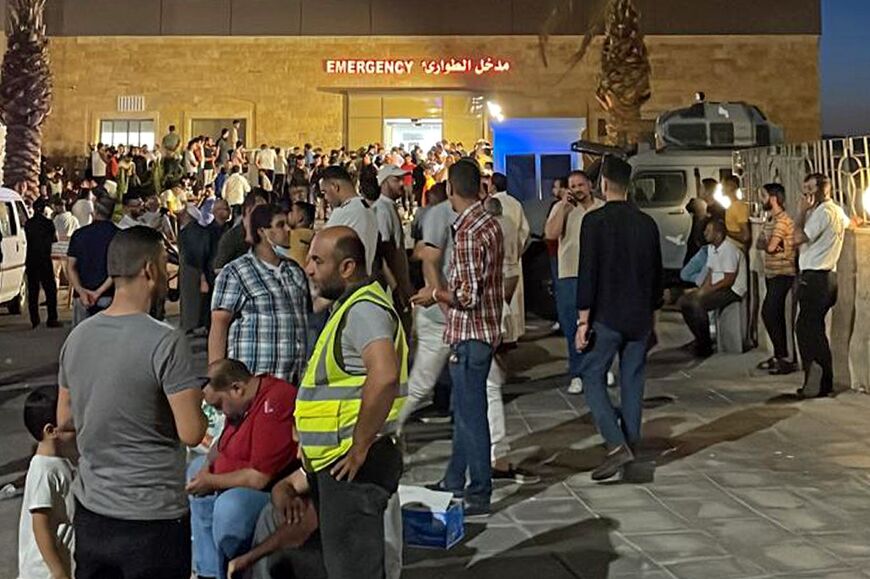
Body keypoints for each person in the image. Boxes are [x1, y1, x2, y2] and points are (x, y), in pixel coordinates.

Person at [56, 226, 208, 579]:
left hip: (93, 510)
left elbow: (65, 417)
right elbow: (191, 431)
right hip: (152, 518)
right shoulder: (166, 343)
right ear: (149, 270)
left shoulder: (78, 337)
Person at [288, 226, 405, 579]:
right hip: (339, 463)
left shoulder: (363, 310)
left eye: (318, 261)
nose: (308, 268)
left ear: (348, 268)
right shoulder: (350, 307)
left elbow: (384, 376)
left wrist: (359, 445)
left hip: (352, 466)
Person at [412, 159, 504, 515]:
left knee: (470, 415)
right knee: (465, 410)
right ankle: (455, 477)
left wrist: (433, 294)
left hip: (471, 332)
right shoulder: (490, 222)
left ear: (450, 189)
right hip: (486, 328)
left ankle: (479, 489)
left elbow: (466, 295)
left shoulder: (466, 231)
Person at [576, 156, 663, 481]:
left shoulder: (594, 222)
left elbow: (588, 273)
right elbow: (657, 277)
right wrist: (653, 318)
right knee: (633, 382)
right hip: (640, 316)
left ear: (603, 184)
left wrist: (583, 321)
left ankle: (615, 444)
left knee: (591, 375)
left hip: (607, 316)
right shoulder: (647, 224)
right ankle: (631, 445)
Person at [187, 359, 299, 579]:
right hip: (238, 476)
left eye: (219, 405)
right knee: (195, 468)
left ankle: (234, 570)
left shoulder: (275, 399)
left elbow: (259, 478)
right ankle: (209, 573)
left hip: (274, 490)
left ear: (237, 388)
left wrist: (210, 481)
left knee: (230, 507)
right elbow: (220, 446)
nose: (220, 413)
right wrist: (206, 470)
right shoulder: (239, 408)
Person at [210, 204, 310, 383]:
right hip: (255, 380)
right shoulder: (236, 272)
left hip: (293, 380)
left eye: (288, 224)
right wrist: (217, 379)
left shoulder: (294, 271)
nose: (288, 230)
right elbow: (219, 325)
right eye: (280, 225)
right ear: (263, 231)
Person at [544, 170, 604, 394]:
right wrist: (563, 207)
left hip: (598, 274)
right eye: (573, 186)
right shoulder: (562, 208)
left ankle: (600, 368)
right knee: (572, 325)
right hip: (570, 273)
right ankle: (577, 372)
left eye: (581, 185)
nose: (577, 189)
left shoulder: (601, 208)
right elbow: (550, 234)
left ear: (590, 185)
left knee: (598, 323)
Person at [793, 173, 851, 398]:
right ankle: (823, 382)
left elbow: (797, 238)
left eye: (810, 188)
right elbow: (849, 223)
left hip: (816, 278)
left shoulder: (821, 212)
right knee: (814, 328)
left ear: (822, 190)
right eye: (804, 188)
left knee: (806, 330)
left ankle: (816, 381)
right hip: (828, 278)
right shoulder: (836, 211)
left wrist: (800, 213)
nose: (806, 193)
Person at [18, 386, 75, 579]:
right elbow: (39, 523)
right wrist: (57, 570)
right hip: (43, 572)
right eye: (70, 420)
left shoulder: (60, 462)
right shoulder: (44, 470)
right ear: (51, 430)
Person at [678, 219, 747, 357]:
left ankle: (705, 346)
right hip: (719, 286)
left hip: (732, 290)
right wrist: (703, 289)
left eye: (708, 231)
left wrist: (707, 291)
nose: (705, 233)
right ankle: (700, 339)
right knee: (684, 302)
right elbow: (710, 272)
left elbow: (729, 279)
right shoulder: (711, 248)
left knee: (698, 304)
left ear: (719, 234)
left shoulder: (728, 249)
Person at [756, 183, 797, 375]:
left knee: (770, 313)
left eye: (763, 196)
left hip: (783, 274)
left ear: (773, 199)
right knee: (773, 315)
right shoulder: (771, 219)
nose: (761, 200)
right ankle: (780, 356)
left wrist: (769, 244)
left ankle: (784, 358)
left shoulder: (782, 221)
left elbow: (771, 246)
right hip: (772, 273)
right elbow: (761, 243)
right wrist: (769, 244)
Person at [66, 196, 118, 326]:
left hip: (82, 298)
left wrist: (81, 290)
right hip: (110, 296)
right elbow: (117, 269)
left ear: (94, 212)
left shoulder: (79, 235)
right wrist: (98, 292)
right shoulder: (119, 236)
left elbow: (70, 266)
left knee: (82, 340)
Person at [373, 164, 414, 328]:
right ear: (384, 183)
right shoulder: (382, 210)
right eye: (396, 180)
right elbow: (385, 252)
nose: (401, 184)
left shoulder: (389, 207)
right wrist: (396, 288)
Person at [322, 165, 378, 274]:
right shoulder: (367, 208)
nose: (325, 197)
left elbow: (321, 249)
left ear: (335, 187)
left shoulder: (345, 212)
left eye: (324, 192)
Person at [178, 204, 216, 334]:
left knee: (190, 300)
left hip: (191, 270)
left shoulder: (187, 233)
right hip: (199, 269)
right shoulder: (203, 232)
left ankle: (190, 325)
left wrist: (201, 275)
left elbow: (196, 253)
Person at [24, 199, 60, 329]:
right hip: (45, 259)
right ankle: (52, 318)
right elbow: (54, 239)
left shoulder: (29, 224)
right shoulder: (48, 223)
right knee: (50, 290)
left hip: (32, 260)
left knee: (33, 291)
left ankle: (34, 319)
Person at [214, 190, 268, 272]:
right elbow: (218, 269)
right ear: (248, 210)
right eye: (260, 211)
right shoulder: (232, 237)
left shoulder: (265, 232)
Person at [723, 175, 751, 249]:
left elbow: (745, 236)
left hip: (736, 248)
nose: (722, 188)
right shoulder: (731, 206)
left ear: (732, 186)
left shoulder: (738, 206)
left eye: (724, 185)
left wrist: (726, 232)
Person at [288, 200, 315, 267]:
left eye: (292, 211)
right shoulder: (312, 236)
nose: (289, 213)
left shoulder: (293, 235)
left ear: (300, 218)